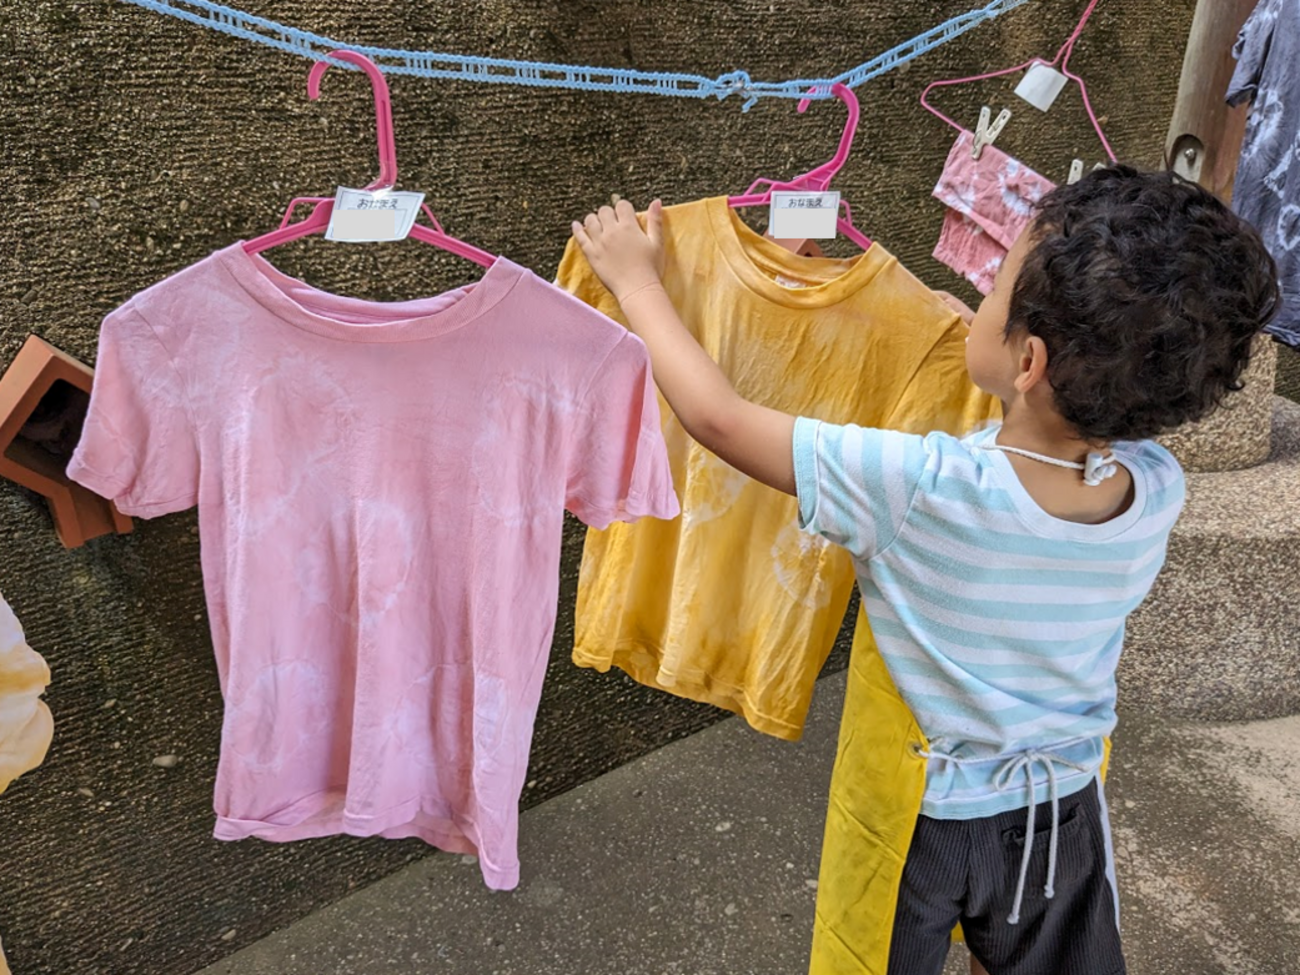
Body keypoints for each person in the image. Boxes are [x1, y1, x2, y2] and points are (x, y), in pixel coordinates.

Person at [570, 166, 1278, 975]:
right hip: (1060, 813)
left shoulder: (918, 488)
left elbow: (719, 419)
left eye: (993, 292)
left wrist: (637, 283)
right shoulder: (1154, 485)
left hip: (923, 826)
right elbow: (1050, 431)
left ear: (1029, 360)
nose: (976, 300)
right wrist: (991, 354)